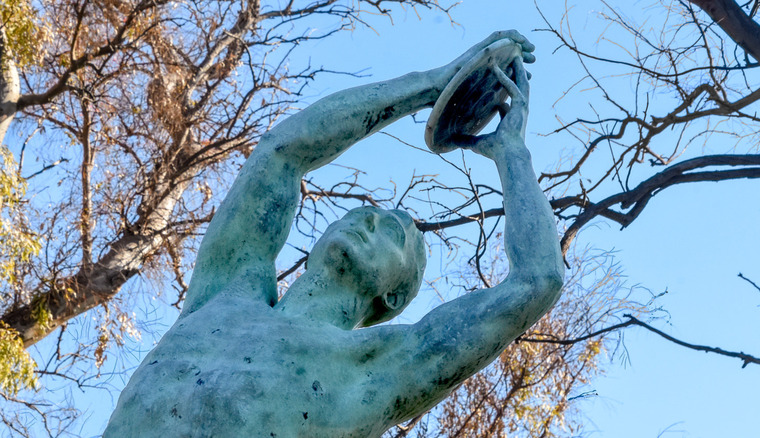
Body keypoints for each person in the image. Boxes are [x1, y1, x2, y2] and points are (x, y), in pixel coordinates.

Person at [103, 30, 564, 438]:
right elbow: (281, 153)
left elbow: (538, 281)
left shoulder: (376, 368)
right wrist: (432, 85)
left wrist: (512, 154)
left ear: (394, 299)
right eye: (364, 212)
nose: (366, 220)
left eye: (392, 231)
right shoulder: (225, 292)